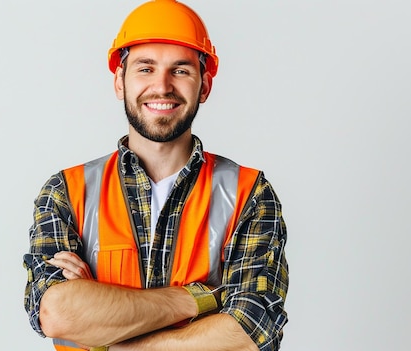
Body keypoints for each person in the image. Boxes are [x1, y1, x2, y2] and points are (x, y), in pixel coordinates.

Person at [22, 1, 289, 350]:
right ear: (120, 82)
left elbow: (250, 332)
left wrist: (105, 337)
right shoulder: (66, 192)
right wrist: (198, 298)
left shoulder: (249, 194)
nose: (162, 86)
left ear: (204, 86)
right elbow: (58, 314)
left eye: (180, 70)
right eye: (145, 69)